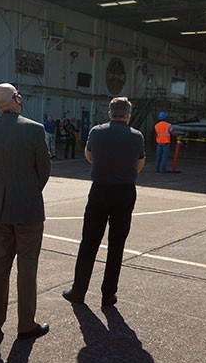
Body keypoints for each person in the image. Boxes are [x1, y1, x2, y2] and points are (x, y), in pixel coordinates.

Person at [0, 83, 51, 339]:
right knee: (27, 266)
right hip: (28, 208)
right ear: (16, 98)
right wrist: (30, 190)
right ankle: (26, 324)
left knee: (0, 264)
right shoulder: (34, 129)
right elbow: (44, 170)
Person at [62, 97, 145, 308]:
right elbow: (139, 163)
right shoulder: (137, 136)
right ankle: (108, 295)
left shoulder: (96, 132)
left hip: (100, 190)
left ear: (110, 113)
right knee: (116, 245)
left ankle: (78, 291)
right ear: (128, 115)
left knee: (89, 242)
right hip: (124, 192)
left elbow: (89, 155)